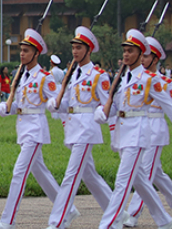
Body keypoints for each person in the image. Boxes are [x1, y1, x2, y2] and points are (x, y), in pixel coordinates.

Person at [0, 28, 74, 229]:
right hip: (23, 128)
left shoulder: (44, 77)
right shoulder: (20, 75)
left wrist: (64, 118)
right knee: (41, 173)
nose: (22, 54)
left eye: (27, 51)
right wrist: (5, 108)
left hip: (35, 129)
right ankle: (68, 209)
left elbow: (58, 102)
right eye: (21, 50)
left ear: (36, 54)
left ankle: (8, 220)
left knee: (19, 172)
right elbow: (18, 104)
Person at [93, 30, 172, 229]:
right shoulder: (123, 78)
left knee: (122, 180)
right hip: (123, 132)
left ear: (139, 53)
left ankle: (109, 223)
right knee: (141, 181)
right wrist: (103, 112)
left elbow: (168, 105)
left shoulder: (149, 79)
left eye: (130, 51)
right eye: (125, 51)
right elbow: (117, 107)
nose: (126, 55)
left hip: (138, 133)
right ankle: (164, 220)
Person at [45, 26, 112, 229]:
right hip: (73, 128)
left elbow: (108, 103)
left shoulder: (98, 75)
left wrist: (103, 114)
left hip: (87, 128)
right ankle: (117, 211)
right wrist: (55, 104)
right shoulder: (71, 74)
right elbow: (67, 103)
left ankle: (58, 221)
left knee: (71, 175)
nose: (75, 51)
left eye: (79, 47)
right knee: (89, 175)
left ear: (88, 50)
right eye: (73, 47)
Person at [124, 36, 172, 227]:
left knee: (144, 172)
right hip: (140, 128)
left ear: (155, 58)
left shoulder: (164, 82)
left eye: (146, 56)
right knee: (156, 174)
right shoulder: (136, 79)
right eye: (141, 55)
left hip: (155, 129)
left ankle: (133, 215)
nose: (142, 59)